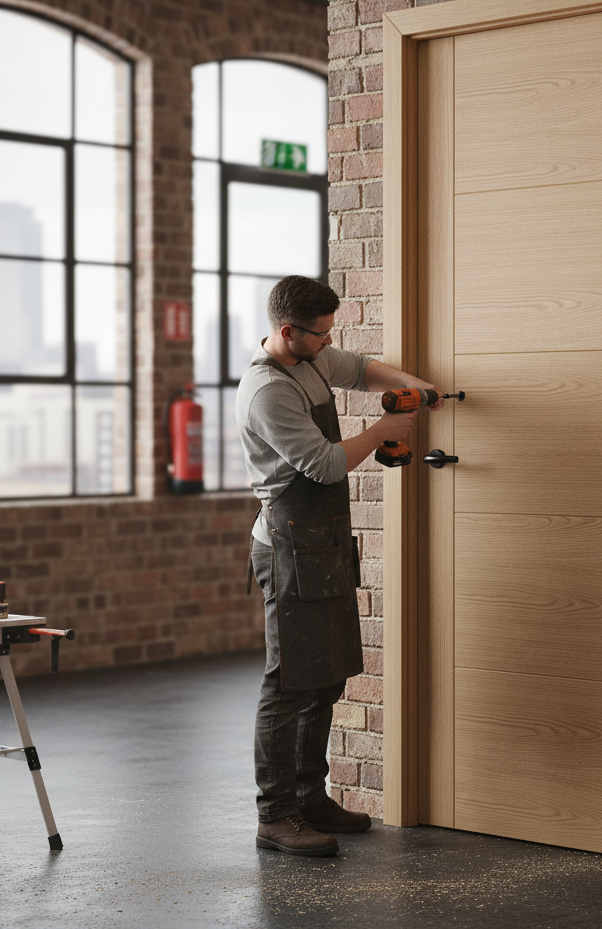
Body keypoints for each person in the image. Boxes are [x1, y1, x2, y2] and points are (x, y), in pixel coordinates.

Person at [236, 274, 443, 857]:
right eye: (320, 334)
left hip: (321, 541)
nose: (329, 342)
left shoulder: (312, 358)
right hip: (286, 544)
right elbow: (324, 465)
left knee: (324, 674)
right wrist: (384, 431)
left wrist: (411, 385)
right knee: (288, 681)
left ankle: (310, 796)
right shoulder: (267, 391)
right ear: (287, 332)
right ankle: (275, 815)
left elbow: (358, 369)